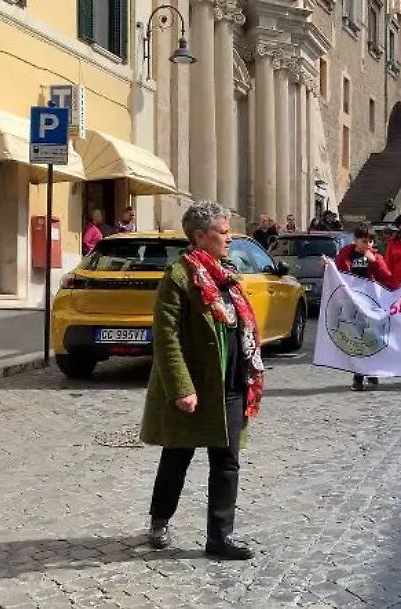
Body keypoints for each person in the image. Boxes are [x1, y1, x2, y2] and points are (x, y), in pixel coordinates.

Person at [140, 201, 263, 560]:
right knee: (177, 457)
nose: (230, 238)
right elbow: (166, 337)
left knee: (227, 461)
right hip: (196, 387)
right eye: (223, 232)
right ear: (199, 236)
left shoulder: (226, 273)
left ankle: (220, 537)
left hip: (230, 383)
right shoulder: (180, 276)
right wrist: (181, 387)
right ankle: (159, 520)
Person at [335, 223, 392, 392]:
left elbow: (386, 276)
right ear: (356, 240)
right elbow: (339, 272)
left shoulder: (375, 256)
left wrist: (375, 262)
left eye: (370, 241)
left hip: (372, 302)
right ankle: (358, 376)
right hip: (353, 302)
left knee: (373, 336)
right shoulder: (346, 254)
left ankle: (371, 369)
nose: (368, 244)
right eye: (364, 241)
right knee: (357, 336)